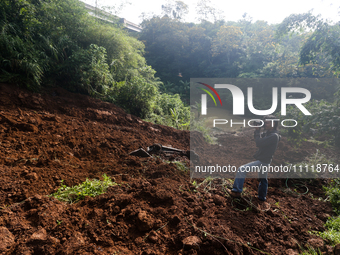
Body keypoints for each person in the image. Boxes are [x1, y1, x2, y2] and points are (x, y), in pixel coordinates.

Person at [230, 115, 281, 201]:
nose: (265, 124)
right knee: (262, 180)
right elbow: (259, 140)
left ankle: (236, 191)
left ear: (273, 123)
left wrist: (257, 131)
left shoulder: (274, 136)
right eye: (264, 122)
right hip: (265, 161)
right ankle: (262, 198)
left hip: (263, 161)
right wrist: (258, 129)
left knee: (242, 169)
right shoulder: (270, 134)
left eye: (267, 123)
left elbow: (259, 143)